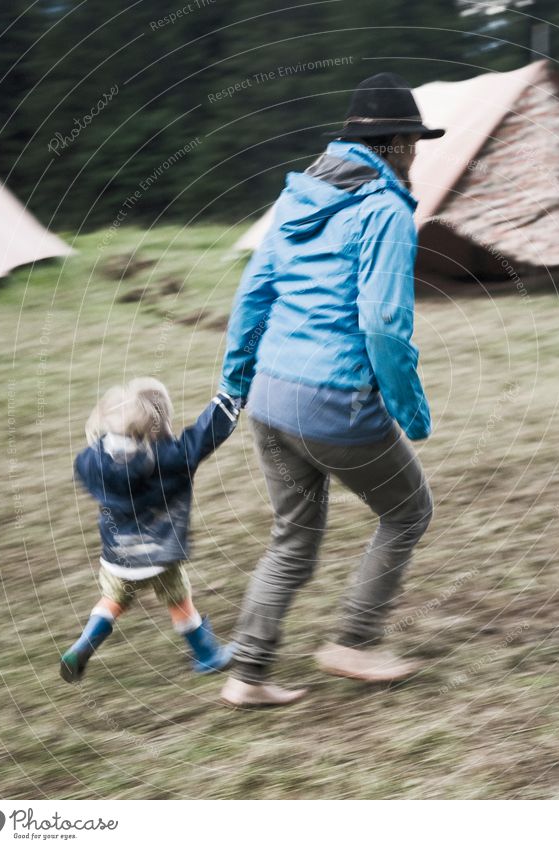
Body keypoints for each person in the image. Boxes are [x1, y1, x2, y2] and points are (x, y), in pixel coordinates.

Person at [218, 73, 444, 707]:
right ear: (398, 143)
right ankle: (354, 640)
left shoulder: (297, 197)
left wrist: (236, 383)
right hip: (334, 401)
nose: (417, 156)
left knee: (292, 539)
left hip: (269, 398)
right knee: (408, 512)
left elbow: (253, 295)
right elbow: (382, 323)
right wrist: (410, 411)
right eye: (416, 144)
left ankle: (248, 675)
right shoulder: (387, 209)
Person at [60, 377, 240, 683]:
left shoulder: (93, 461)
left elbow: (83, 467)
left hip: (117, 556)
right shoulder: (170, 459)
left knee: (113, 601)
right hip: (159, 556)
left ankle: (83, 645)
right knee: (180, 603)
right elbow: (203, 437)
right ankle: (207, 655)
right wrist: (230, 400)